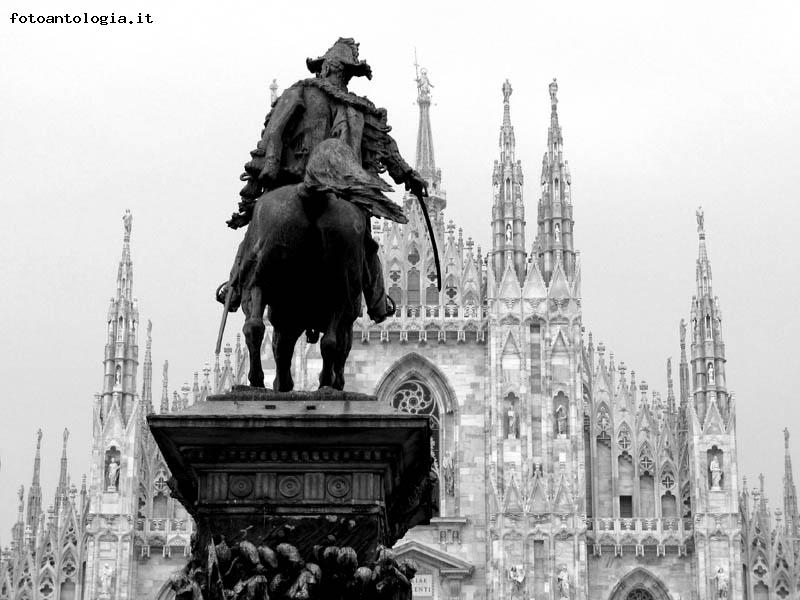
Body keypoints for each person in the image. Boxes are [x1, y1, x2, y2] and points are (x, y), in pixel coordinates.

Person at [218, 38, 427, 325]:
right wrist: (409, 176)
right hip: (343, 191)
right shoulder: (359, 108)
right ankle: (377, 301)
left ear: (326, 67)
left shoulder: (300, 91)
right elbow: (388, 152)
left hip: (291, 179)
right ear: (347, 73)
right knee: (365, 244)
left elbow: (273, 133)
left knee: (255, 236)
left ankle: (234, 285)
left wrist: (266, 168)